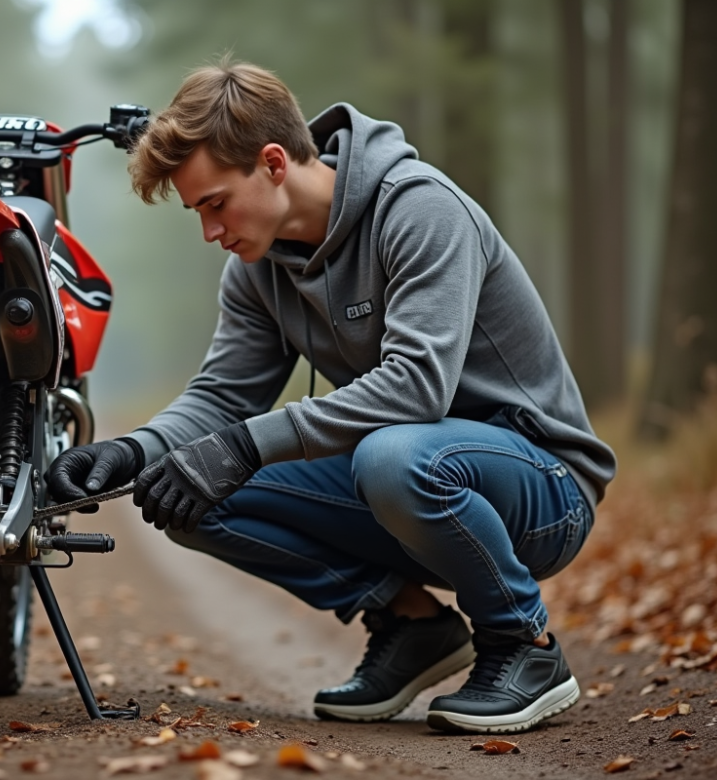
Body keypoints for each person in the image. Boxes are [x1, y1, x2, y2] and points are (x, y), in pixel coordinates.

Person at [47, 58, 616, 734]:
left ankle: (525, 647)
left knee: (392, 456)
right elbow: (223, 397)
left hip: (543, 490)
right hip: (409, 481)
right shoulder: (257, 270)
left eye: (215, 203)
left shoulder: (420, 210)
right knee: (188, 490)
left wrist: (244, 444)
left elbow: (416, 388)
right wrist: (133, 452)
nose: (210, 231)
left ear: (274, 162)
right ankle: (412, 624)